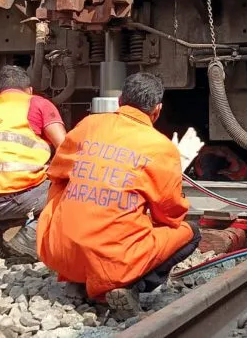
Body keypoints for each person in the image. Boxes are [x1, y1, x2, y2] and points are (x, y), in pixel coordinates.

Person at [37, 73, 204, 315]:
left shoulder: (88, 125)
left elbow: (57, 172)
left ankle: (79, 276)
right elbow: (169, 216)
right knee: (189, 233)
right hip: (111, 265)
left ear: (119, 101)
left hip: (57, 252)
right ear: (157, 110)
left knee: (61, 184)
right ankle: (130, 286)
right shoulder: (161, 148)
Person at [0, 65, 67, 260]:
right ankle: (29, 238)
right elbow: (66, 148)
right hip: (16, 195)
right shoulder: (37, 103)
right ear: (29, 90)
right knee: (71, 188)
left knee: (23, 185)